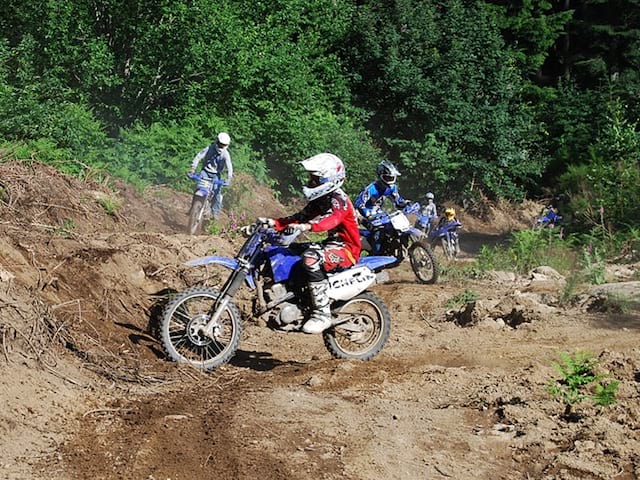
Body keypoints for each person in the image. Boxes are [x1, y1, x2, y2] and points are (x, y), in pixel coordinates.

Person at [260, 153, 361, 334]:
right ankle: (297, 297)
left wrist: (308, 226)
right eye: (312, 178)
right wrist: (274, 223)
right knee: (285, 251)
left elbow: (331, 220)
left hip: (347, 250)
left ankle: (322, 313)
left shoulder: (340, 200)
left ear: (329, 179)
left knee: (310, 258)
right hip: (331, 244)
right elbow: (300, 217)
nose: (311, 181)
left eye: (315, 178)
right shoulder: (321, 199)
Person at [354, 160, 411, 252]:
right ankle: (376, 253)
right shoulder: (371, 189)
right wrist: (367, 214)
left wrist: (404, 203)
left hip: (379, 213)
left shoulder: (392, 188)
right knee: (379, 231)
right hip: (364, 214)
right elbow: (359, 204)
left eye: (392, 178)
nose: (390, 180)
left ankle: (398, 249)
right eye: (387, 178)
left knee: (393, 227)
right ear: (380, 176)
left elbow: (397, 200)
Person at [189, 132, 233, 218]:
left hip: (216, 175)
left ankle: (215, 213)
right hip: (205, 172)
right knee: (198, 188)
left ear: (226, 145)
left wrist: (229, 178)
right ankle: (192, 209)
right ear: (216, 141)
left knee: (217, 193)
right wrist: (193, 168)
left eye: (223, 145)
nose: (221, 146)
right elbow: (198, 156)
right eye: (220, 144)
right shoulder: (209, 148)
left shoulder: (225, 154)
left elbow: (229, 166)